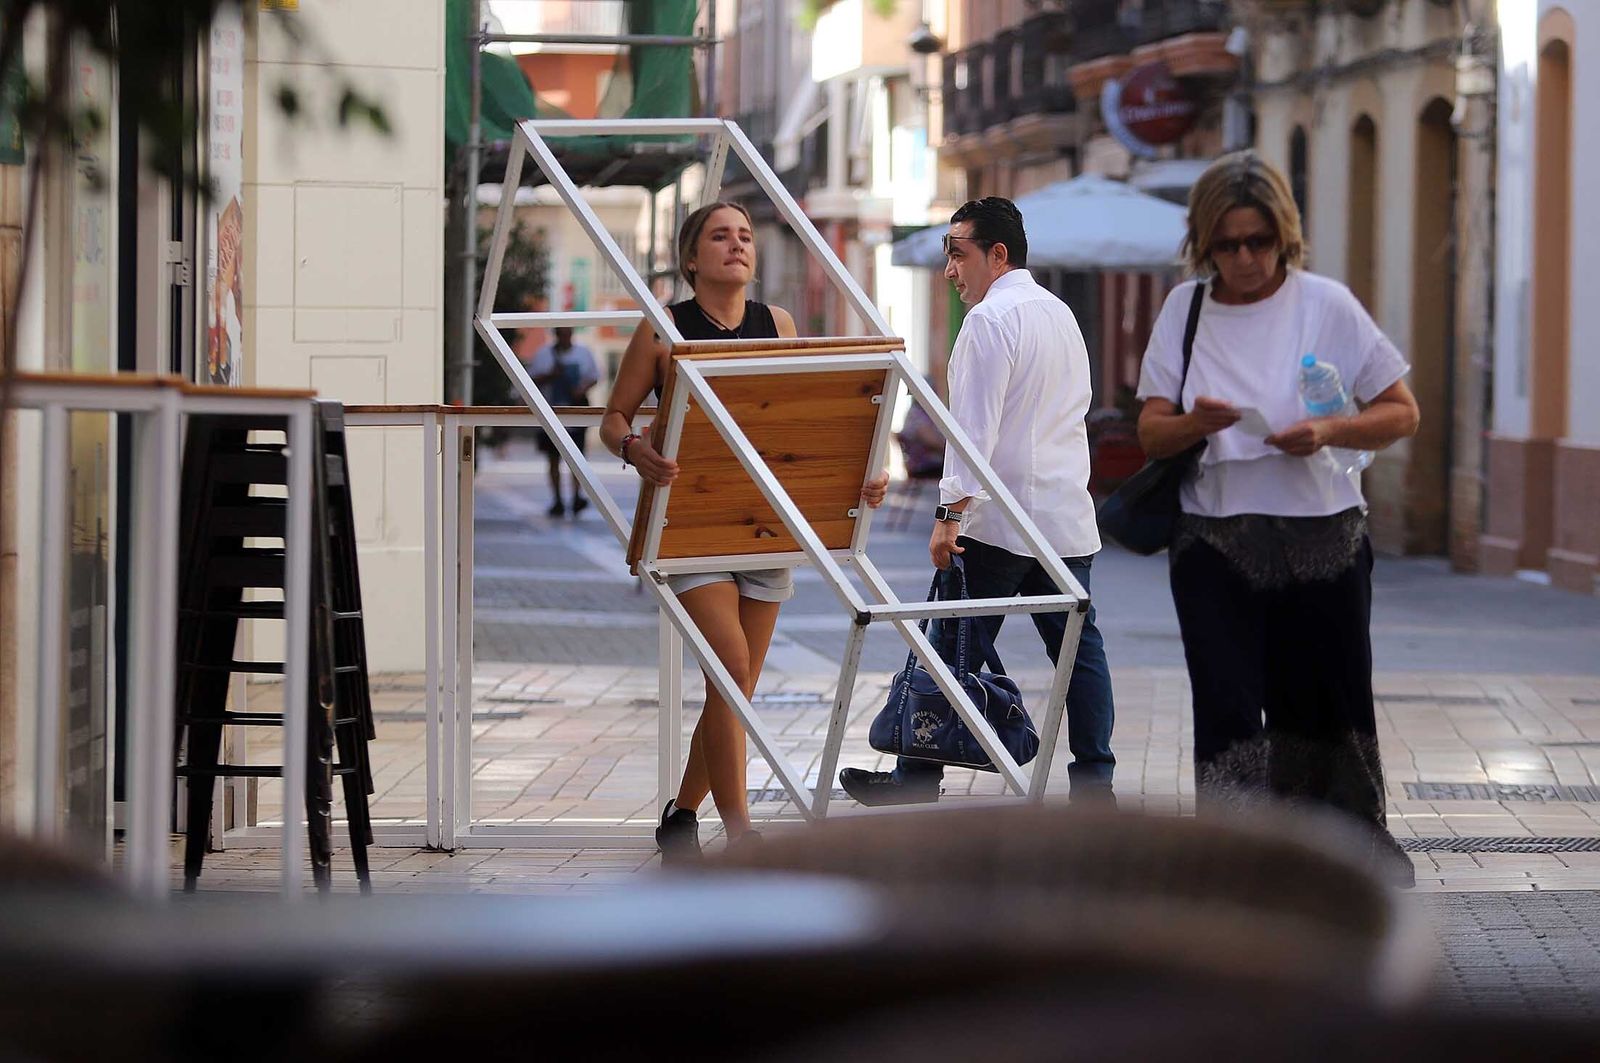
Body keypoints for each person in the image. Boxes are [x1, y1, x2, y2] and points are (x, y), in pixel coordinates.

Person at [1133, 151, 1420, 886]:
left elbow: (1401, 411)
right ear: (1205, 244)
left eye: (1259, 240)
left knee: (1327, 701)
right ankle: (1235, 859)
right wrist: (1196, 421)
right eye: (1227, 244)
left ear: (1284, 236)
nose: (1245, 258)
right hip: (1214, 537)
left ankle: (1339, 856)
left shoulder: (1326, 303)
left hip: (1323, 531)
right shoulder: (1185, 310)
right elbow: (1151, 432)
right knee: (1226, 702)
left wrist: (1326, 432)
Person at [599, 201, 890, 863]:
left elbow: (800, 424)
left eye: (745, 236)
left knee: (737, 687)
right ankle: (741, 833)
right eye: (719, 236)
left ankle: (680, 814)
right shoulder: (663, 328)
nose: (736, 245)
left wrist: (859, 479)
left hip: (764, 521)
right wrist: (632, 448)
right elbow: (613, 416)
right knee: (730, 670)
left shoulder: (778, 324)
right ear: (692, 258)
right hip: (691, 525)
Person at [839, 196, 1115, 806]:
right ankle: (1096, 784)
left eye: (958, 255)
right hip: (1064, 517)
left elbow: (971, 435)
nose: (949, 271)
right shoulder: (1061, 314)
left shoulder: (990, 321)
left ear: (998, 254)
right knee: (1077, 653)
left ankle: (916, 777)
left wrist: (948, 514)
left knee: (947, 646)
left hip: (998, 521)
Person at [529, 326, 600, 517]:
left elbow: (594, 377)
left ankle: (577, 496)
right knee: (553, 459)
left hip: (576, 412)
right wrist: (550, 376)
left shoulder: (583, 353)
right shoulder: (544, 354)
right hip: (551, 412)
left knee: (577, 458)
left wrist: (581, 389)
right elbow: (531, 379)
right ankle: (558, 499)